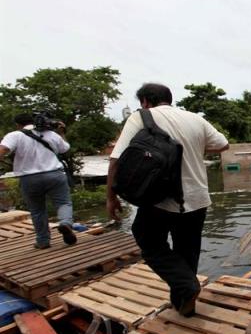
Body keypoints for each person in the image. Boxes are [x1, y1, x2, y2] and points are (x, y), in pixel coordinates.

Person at [106, 83, 229, 317]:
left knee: (148, 241)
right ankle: (185, 305)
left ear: (144, 101)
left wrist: (111, 197)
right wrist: (195, 148)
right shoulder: (195, 119)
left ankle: (188, 288)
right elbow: (224, 145)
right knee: (187, 251)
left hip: (160, 199)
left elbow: (116, 159)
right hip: (198, 199)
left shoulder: (141, 117)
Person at [0, 113, 77, 249]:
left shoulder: (15, 135)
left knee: (37, 210)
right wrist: (61, 132)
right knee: (63, 203)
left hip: (30, 178)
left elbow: (3, 149)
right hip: (55, 175)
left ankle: (43, 241)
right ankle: (65, 223)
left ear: (18, 124)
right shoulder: (51, 134)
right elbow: (65, 148)